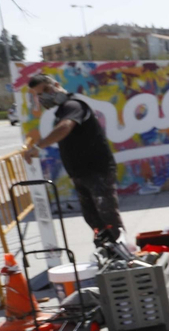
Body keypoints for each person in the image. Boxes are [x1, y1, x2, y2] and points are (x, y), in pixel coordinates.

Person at [22, 74, 124, 247]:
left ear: (56, 85)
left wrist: (38, 147)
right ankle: (107, 250)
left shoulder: (74, 105)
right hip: (80, 173)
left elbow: (65, 127)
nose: (44, 96)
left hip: (96, 171)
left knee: (108, 217)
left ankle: (123, 251)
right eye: (39, 94)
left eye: (46, 90)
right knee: (92, 218)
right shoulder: (62, 111)